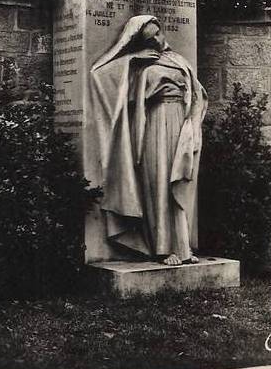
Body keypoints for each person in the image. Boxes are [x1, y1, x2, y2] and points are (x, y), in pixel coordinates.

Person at [89, 15, 208, 266]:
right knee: (158, 181)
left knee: (179, 180)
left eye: (158, 33)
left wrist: (193, 122)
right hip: (153, 122)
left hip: (180, 124)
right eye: (149, 37)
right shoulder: (137, 62)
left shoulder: (178, 60)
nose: (156, 40)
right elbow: (99, 74)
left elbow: (198, 94)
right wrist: (133, 61)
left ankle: (183, 247)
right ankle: (163, 248)